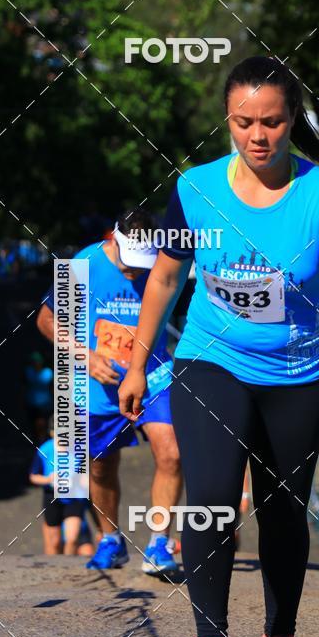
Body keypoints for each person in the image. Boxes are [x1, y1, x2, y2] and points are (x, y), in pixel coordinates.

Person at [118, 55, 319, 637]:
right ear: (227, 120)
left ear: (293, 120)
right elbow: (167, 278)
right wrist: (137, 362)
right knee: (209, 502)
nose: (257, 135)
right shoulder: (195, 190)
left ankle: (280, 632)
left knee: (284, 510)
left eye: (272, 122)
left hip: (298, 377)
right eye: (243, 122)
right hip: (211, 363)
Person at [36, 209, 182, 574]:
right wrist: (84, 356)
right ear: (112, 240)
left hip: (153, 373)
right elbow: (46, 319)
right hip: (98, 381)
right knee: (101, 468)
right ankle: (110, 540)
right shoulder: (84, 263)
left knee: (172, 452)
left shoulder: (160, 264)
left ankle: (159, 544)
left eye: (142, 264)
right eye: (130, 263)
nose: (135, 271)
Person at [29, 417, 89, 555]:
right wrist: (49, 479)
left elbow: (86, 477)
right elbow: (33, 476)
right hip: (52, 497)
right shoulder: (45, 449)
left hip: (74, 497)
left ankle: (68, 569)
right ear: (52, 432)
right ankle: (55, 570)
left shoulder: (78, 449)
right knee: (54, 542)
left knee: (72, 539)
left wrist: (77, 482)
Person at [24, 352, 53, 442]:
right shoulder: (28, 372)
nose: (36, 364)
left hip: (45, 403)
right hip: (31, 402)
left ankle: (42, 440)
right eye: (34, 362)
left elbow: (52, 387)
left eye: (37, 362)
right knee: (34, 424)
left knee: (42, 422)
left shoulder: (48, 373)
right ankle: (37, 440)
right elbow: (24, 386)